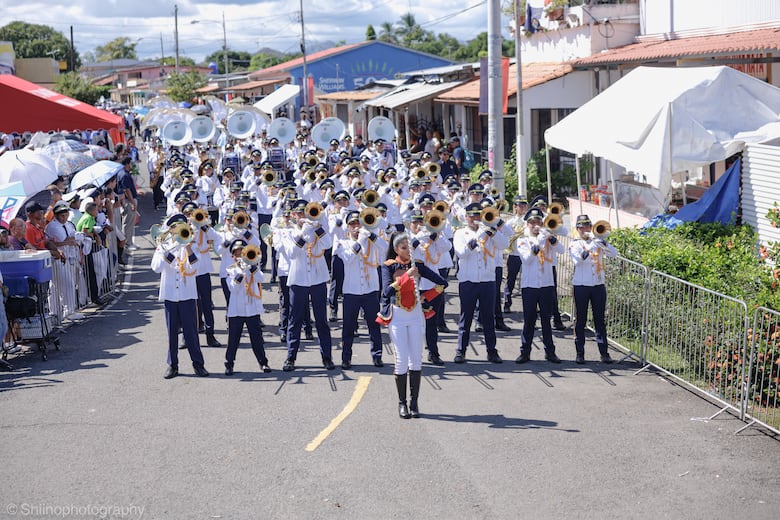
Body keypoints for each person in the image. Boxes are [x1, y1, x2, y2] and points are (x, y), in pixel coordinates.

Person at [378, 232, 446, 419]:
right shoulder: (388, 266)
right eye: (404, 248)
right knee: (401, 359)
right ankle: (402, 403)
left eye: (410, 248)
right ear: (396, 249)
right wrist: (406, 276)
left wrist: (425, 296)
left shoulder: (419, 265)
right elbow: (386, 292)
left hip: (416, 315)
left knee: (416, 358)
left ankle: (414, 402)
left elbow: (442, 283)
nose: (408, 251)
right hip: (397, 316)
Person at [150, 214, 209, 379]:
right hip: (170, 295)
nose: (179, 230)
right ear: (170, 230)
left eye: (182, 227)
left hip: (187, 295)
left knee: (191, 332)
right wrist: (168, 254)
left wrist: (188, 248)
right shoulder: (163, 246)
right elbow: (156, 267)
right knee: (172, 332)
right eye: (176, 227)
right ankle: (172, 365)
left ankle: (198, 364)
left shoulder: (191, 245)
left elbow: (195, 267)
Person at [280, 199, 335, 372]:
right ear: (293, 215)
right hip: (299, 280)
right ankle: (291, 357)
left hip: (318, 279)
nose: (302, 215)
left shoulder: (317, 229)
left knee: (321, 320)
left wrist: (317, 227)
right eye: (299, 213)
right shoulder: (287, 232)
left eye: (305, 212)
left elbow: (328, 244)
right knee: (295, 319)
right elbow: (291, 253)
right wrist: (303, 234)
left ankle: (327, 357)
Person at [452, 202, 509, 364]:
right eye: (472, 216)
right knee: (466, 317)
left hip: (487, 280)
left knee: (488, 317)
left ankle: (492, 351)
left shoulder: (488, 231)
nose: (475, 219)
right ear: (466, 217)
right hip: (468, 280)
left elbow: (504, 245)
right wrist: (475, 239)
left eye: (478, 216)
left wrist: (493, 233)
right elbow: (461, 253)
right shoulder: (460, 233)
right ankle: (461, 350)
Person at [337, 210, 388, 369]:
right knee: (348, 326)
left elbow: (386, 249)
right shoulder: (342, 243)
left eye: (358, 224)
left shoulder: (371, 241)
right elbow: (348, 258)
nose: (356, 227)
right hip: (351, 291)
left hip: (370, 289)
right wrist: (360, 240)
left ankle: (377, 355)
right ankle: (346, 357)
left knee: (374, 325)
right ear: (348, 227)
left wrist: (372, 236)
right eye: (352, 224)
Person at [515, 207, 565, 364]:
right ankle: (525, 352)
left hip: (546, 284)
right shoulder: (522, 240)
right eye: (532, 223)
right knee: (529, 320)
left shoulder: (547, 238)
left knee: (546, 320)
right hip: (529, 286)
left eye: (538, 222)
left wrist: (551, 239)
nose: (535, 225)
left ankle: (550, 352)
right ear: (527, 224)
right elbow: (527, 259)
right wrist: (539, 241)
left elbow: (562, 250)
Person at [569, 215, 618, 364]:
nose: (585, 229)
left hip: (598, 285)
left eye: (587, 226)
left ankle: (604, 353)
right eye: (582, 227)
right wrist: (591, 245)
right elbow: (578, 260)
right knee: (580, 319)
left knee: (599, 320)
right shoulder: (575, 244)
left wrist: (603, 242)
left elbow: (614, 254)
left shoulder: (597, 243)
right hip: (581, 286)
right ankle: (580, 353)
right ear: (577, 229)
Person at [224, 239, 272, 375]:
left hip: (252, 309)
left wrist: (251, 267)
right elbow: (232, 288)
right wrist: (240, 273)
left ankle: (263, 362)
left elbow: (261, 278)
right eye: (237, 254)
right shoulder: (231, 269)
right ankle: (229, 364)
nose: (240, 256)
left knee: (256, 338)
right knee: (233, 339)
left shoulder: (253, 267)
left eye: (242, 253)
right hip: (237, 310)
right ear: (233, 256)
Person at [116, 157, 139, 253]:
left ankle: (129, 242)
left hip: (128, 200)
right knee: (128, 223)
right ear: (127, 164)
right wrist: (133, 202)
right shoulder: (124, 175)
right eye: (130, 163)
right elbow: (127, 190)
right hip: (128, 201)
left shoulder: (122, 173)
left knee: (130, 223)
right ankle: (127, 243)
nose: (131, 165)